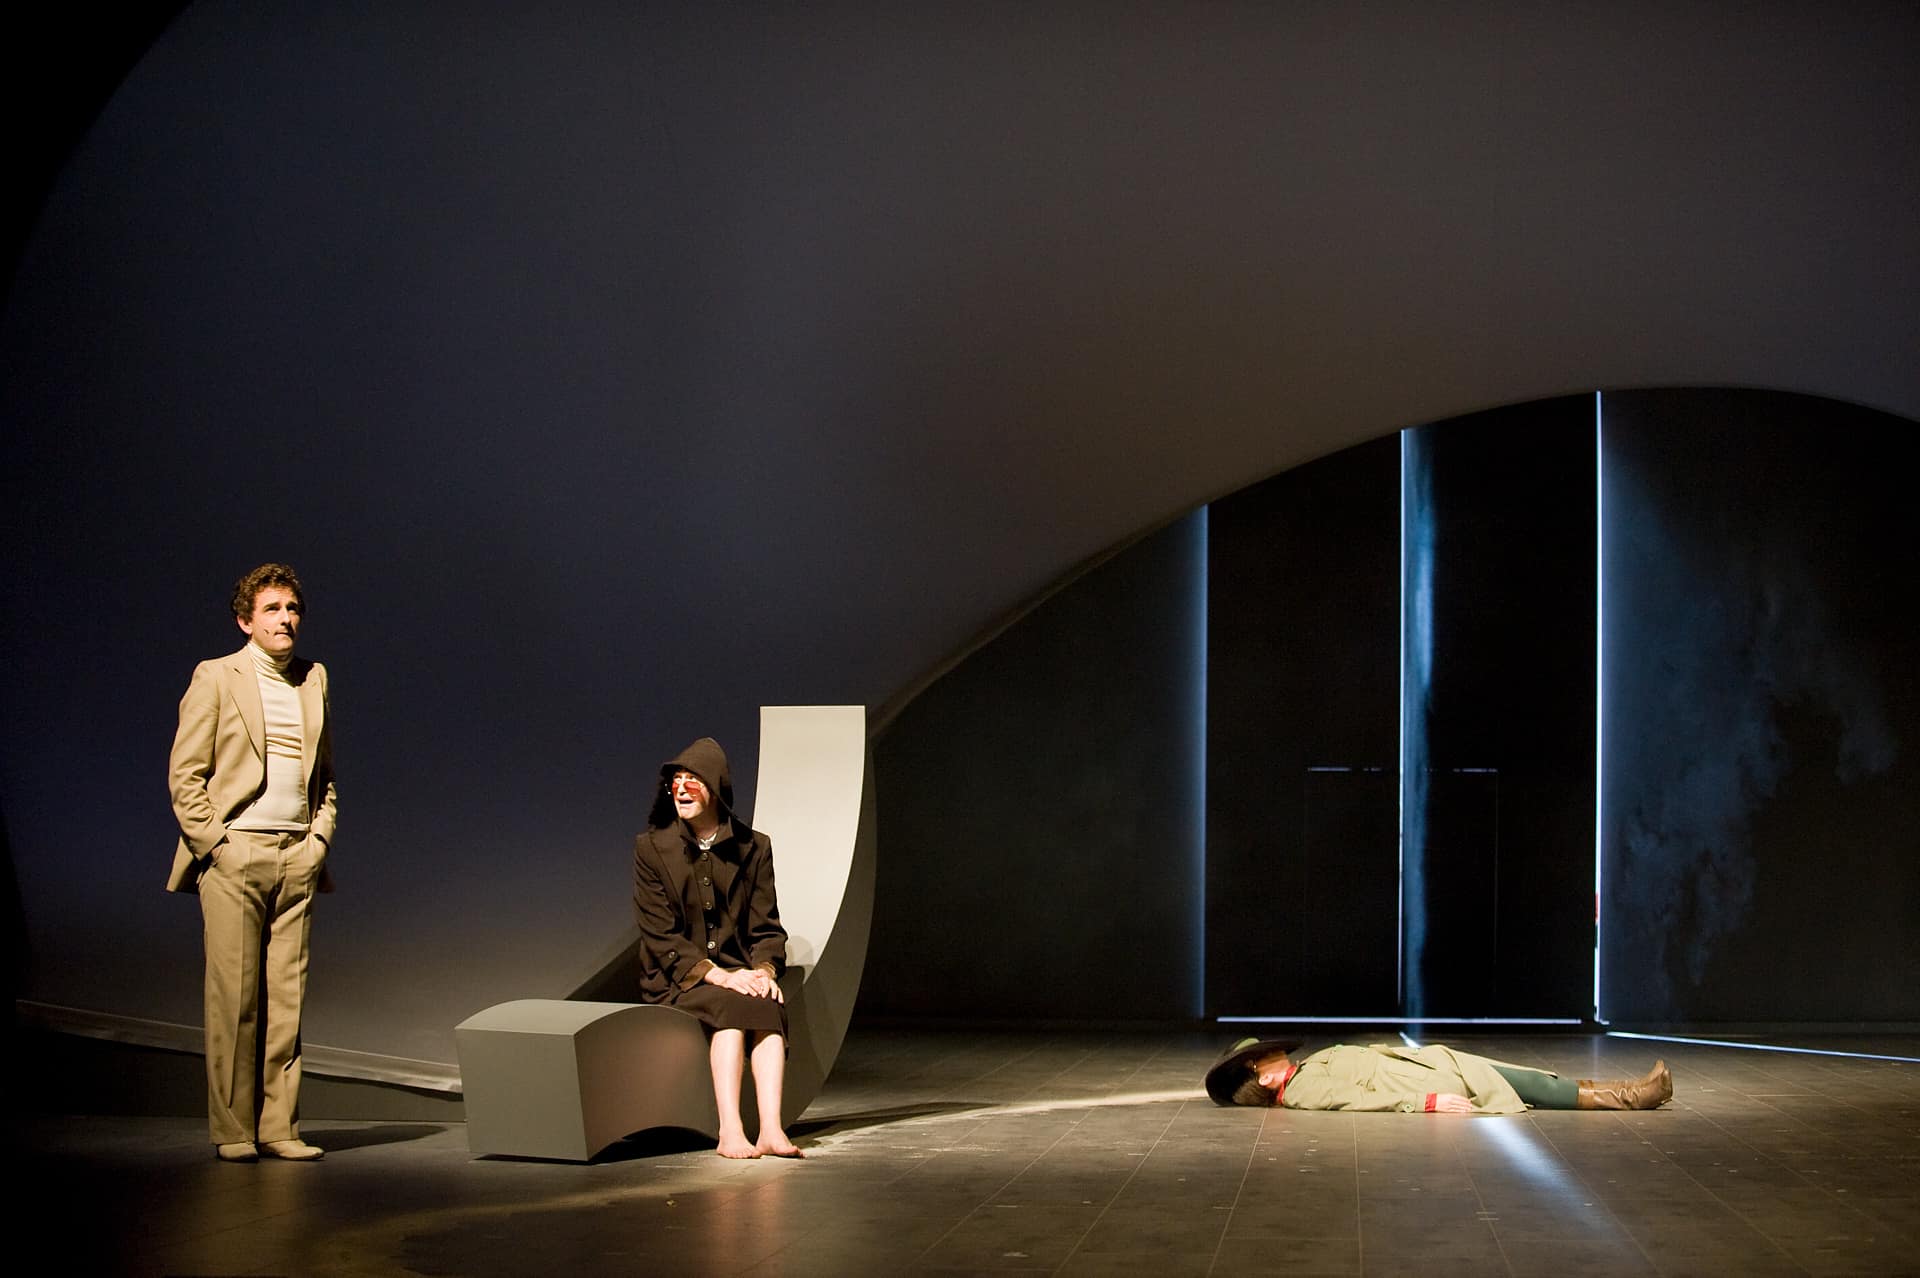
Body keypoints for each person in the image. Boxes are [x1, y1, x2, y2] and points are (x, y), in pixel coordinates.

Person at [167, 563, 337, 1162]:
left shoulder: (313, 678)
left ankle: (280, 1127)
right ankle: (235, 1130)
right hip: (237, 854)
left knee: (286, 1001)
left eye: (292, 608)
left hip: (296, 855)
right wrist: (218, 845)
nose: (285, 619)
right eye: (272, 609)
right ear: (245, 620)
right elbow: (185, 775)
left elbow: (325, 777)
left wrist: (318, 841)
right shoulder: (217, 676)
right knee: (234, 1001)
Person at [633, 738, 800, 1158]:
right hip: (678, 979)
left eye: (692, 780)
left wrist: (764, 971)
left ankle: (771, 1130)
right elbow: (660, 934)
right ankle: (730, 1131)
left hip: (738, 974)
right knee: (730, 1008)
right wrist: (719, 975)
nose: (681, 789)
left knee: (766, 1004)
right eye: (675, 781)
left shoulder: (753, 846)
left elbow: (766, 927)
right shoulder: (652, 848)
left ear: (715, 787)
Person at [1206, 1037, 1672, 1114]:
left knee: (1532, 1079)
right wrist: (1425, 1103)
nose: (1275, 1054)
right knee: (1534, 1087)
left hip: (1432, 1065)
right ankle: (1637, 1096)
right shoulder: (1302, 1088)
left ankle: (1634, 1090)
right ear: (1261, 1078)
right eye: (1265, 1058)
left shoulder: (1304, 1073)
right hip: (1425, 1083)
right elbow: (1356, 1100)